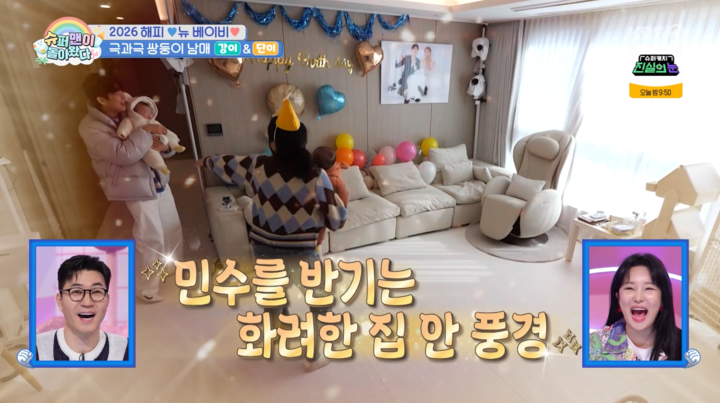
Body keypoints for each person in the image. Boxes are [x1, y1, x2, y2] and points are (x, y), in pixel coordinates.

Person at [199, 100, 347, 371]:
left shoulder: (257, 165)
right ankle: (314, 356)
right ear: (303, 143)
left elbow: (226, 163)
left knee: (273, 300)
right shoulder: (316, 176)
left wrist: (205, 161)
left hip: (264, 250)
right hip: (303, 254)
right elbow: (337, 220)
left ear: (273, 144)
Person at [79, 74, 183, 303]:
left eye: (121, 91)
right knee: (151, 237)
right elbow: (123, 154)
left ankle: (170, 267)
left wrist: (165, 147)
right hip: (133, 187)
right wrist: (146, 132)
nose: (123, 97)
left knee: (171, 227)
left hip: (158, 180)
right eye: (116, 94)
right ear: (101, 99)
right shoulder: (90, 127)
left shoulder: (131, 110)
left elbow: (158, 137)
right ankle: (147, 288)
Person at [589, 253, 682, 361]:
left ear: (662, 299)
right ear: (618, 298)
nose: (638, 298)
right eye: (629, 288)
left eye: (649, 288)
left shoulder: (683, 343)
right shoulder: (593, 346)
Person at [36, 255, 128, 361]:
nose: (87, 302)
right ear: (60, 301)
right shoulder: (36, 349)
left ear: (107, 300)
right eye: (76, 292)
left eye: (96, 291)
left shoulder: (127, 350)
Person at [312, 146, 350, 253]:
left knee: (320, 228)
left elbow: (344, 194)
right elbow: (338, 164)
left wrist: (343, 209)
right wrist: (342, 164)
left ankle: (317, 247)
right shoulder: (335, 165)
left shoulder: (333, 180)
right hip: (321, 201)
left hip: (328, 206)